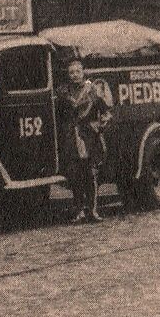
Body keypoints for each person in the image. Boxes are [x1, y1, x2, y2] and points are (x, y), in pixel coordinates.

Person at [57, 57, 112, 222]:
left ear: (83, 72)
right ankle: (79, 210)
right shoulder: (63, 93)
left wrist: (99, 126)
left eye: (77, 71)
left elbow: (106, 112)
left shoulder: (92, 91)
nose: (75, 75)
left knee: (91, 173)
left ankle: (93, 210)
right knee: (74, 174)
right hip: (71, 137)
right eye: (71, 72)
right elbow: (58, 116)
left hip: (89, 136)